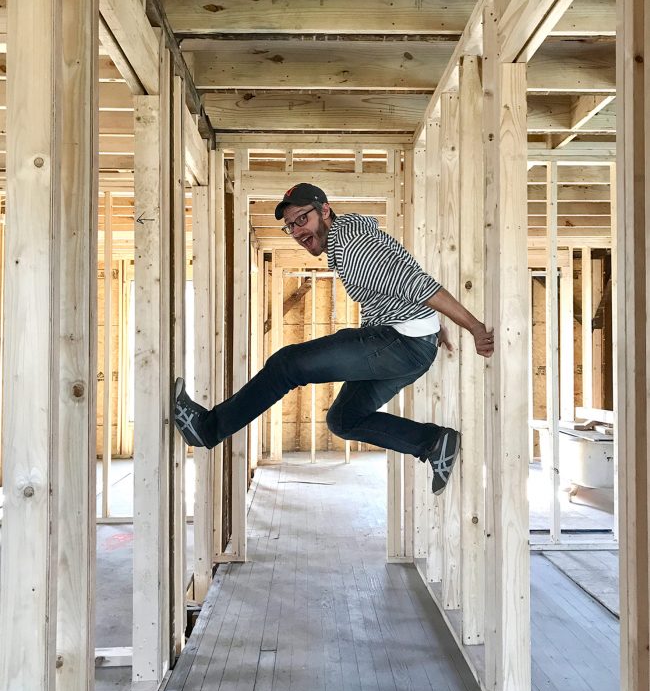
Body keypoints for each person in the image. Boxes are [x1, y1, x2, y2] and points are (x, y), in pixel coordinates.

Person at [174, 183, 494, 494]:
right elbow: (403, 284)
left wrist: (475, 327)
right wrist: (431, 323)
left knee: (287, 365)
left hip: (401, 342)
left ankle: (205, 429)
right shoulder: (346, 242)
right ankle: (434, 442)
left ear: (325, 211)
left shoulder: (353, 246)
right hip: (413, 346)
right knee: (343, 419)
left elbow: (417, 283)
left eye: (303, 219)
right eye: (291, 227)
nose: (298, 231)